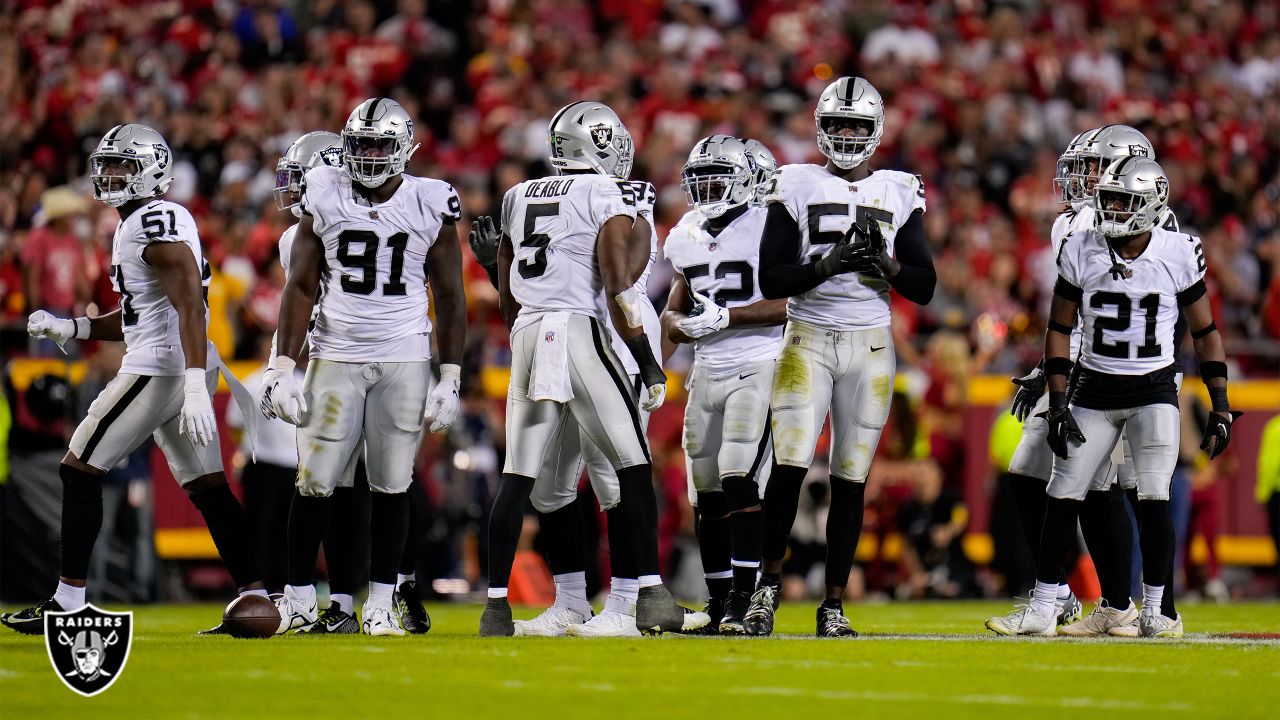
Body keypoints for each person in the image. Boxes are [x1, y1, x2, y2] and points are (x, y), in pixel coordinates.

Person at [3, 124, 265, 634]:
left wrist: (191, 384)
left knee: (79, 467)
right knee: (210, 488)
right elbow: (138, 315)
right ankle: (257, 596)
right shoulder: (142, 222)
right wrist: (73, 326)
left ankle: (69, 602)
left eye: (122, 164)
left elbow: (190, 303)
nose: (110, 174)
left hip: (162, 368)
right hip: (177, 362)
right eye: (107, 164)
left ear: (152, 170)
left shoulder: (152, 220)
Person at [478, 101, 708, 637]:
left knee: (562, 476)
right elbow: (619, 281)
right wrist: (651, 364)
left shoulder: (517, 196)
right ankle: (596, 600)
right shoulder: (611, 193)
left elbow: (514, 298)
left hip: (548, 334)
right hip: (596, 333)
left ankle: (623, 601)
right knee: (579, 479)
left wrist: (494, 267)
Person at [990, 157, 1237, 638]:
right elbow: (1060, 327)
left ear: (1149, 202)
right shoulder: (1081, 246)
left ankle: (1157, 611)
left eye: (1122, 200)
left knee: (1153, 496)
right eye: (1109, 198)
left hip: (1153, 389)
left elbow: (1205, 331)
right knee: (1062, 493)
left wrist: (1221, 404)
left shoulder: (1179, 250)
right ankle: (1045, 606)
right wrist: (1058, 399)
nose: (1111, 208)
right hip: (1093, 387)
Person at [266, 98, 466, 636]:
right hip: (336, 354)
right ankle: (300, 597)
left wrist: (451, 375)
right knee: (314, 481)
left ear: (405, 146)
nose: (370, 155)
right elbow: (301, 286)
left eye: (381, 144)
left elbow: (449, 293)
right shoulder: (324, 192)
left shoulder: (432, 199)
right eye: (361, 145)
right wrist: (281, 365)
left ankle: (380, 602)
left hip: (404, 355)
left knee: (391, 483)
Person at [745, 76, 936, 637]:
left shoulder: (901, 189)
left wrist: (889, 266)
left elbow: (923, 285)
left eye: (856, 125)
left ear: (875, 129)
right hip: (807, 337)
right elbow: (771, 275)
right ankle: (767, 590)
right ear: (821, 128)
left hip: (870, 346)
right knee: (790, 467)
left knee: (852, 478)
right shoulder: (795, 181)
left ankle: (833, 603)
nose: (847, 134)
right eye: (837, 124)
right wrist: (827, 266)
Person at [1002, 125, 1179, 636]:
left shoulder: (1154, 232)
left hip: (1124, 372)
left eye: (1095, 167)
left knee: (1116, 490)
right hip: (1078, 366)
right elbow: (1068, 316)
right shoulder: (1082, 224)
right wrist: (1047, 369)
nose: (1084, 180)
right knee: (1041, 477)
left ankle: (1128, 604)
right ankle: (1074, 595)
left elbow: (1181, 309)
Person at [661, 135, 786, 633]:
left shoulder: (770, 225)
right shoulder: (686, 233)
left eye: (718, 178)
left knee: (739, 475)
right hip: (706, 370)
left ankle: (743, 596)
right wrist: (669, 339)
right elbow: (672, 310)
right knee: (705, 491)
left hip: (759, 360)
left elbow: (794, 303)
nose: (707, 189)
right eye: (700, 179)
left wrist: (726, 317)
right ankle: (717, 604)